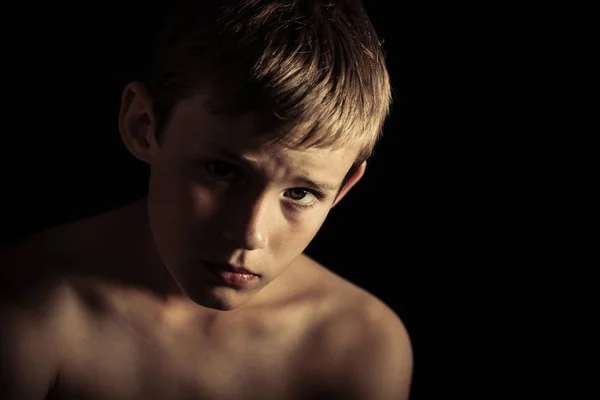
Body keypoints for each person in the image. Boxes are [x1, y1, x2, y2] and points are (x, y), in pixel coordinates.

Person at [0, 0, 413, 399]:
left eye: (300, 193)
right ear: (143, 126)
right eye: (222, 171)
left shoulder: (360, 348)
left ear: (343, 188)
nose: (249, 235)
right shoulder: (26, 315)